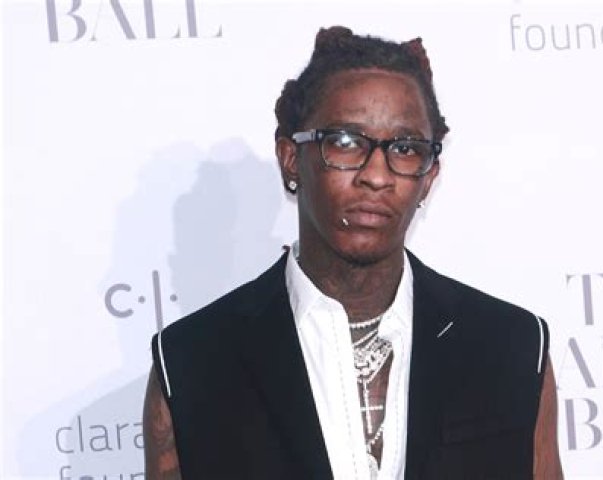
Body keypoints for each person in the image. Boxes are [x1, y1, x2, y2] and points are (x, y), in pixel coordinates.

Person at [143, 26, 563, 480]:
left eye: (405, 148)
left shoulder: (510, 346)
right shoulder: (193, 363)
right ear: (290, 158)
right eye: (345, 142)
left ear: (429, 176)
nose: (376, 176)